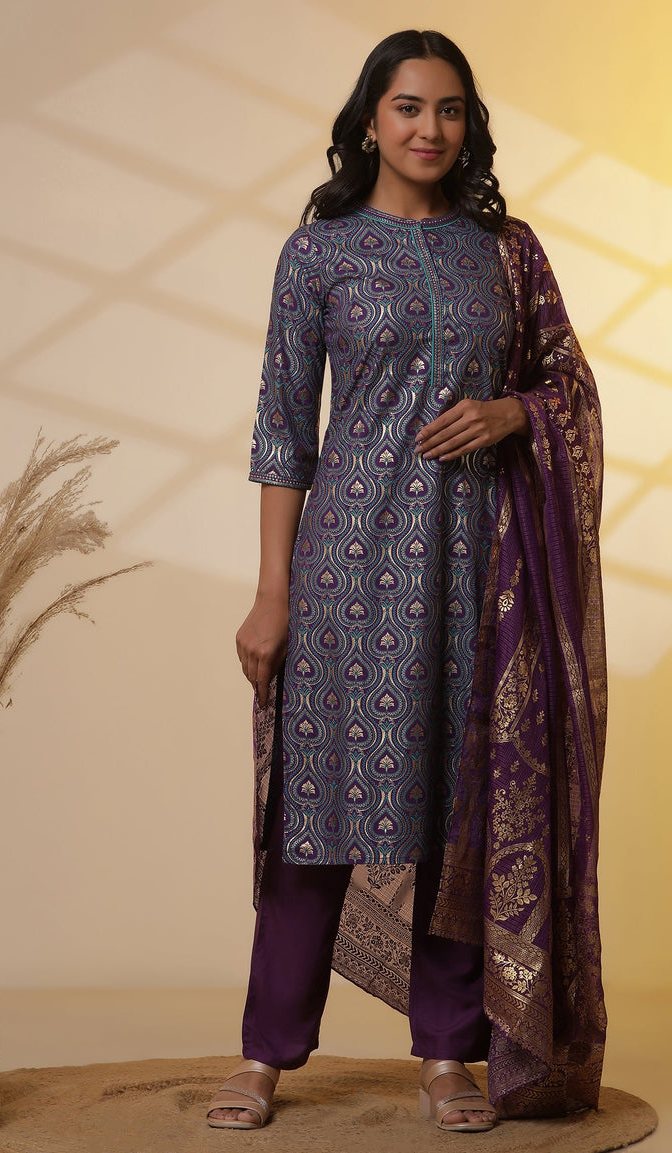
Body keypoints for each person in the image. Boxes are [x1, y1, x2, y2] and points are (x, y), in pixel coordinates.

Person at [207, 28, 607, 1134]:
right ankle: (263, 1053)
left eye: (448, 109)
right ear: (369, 120)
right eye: (407, 107)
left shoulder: (505, 251)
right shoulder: (319, 252)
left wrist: (513, 411)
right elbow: (282, 428)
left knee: (456, 818)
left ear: (468, 125)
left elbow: (569, 384)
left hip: (479, 570)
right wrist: (273, 591)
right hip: (347, 565)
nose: (429, 128)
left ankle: (445, 1055)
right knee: (314, 813)